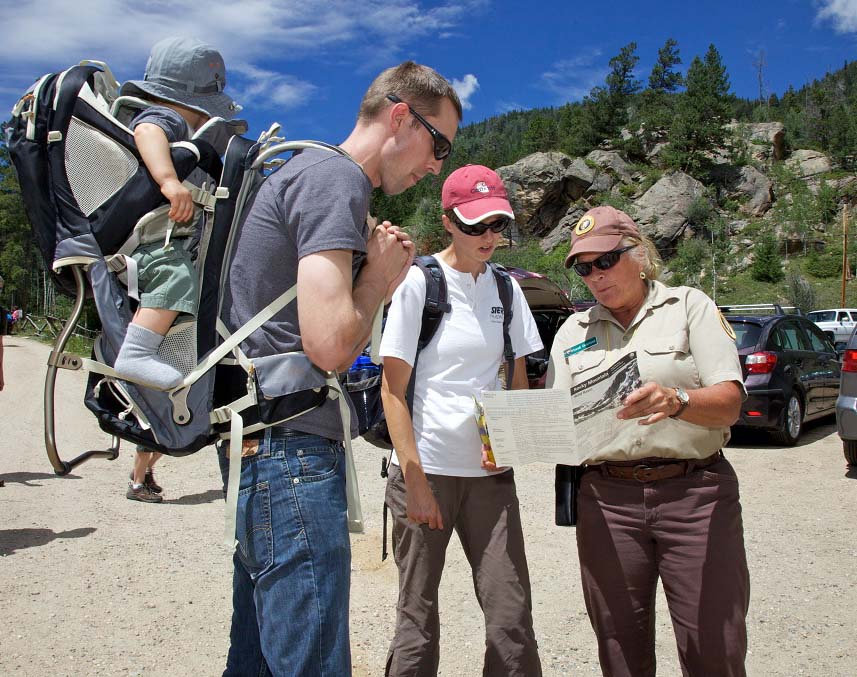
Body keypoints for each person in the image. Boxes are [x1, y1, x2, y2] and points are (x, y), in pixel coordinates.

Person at [218, 61, 462, 676]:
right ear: (400, 116)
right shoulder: (336, 180)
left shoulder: (307, 172)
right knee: (312, 660)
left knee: (255, 657)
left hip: (261, 441)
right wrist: (379, 278)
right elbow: (328, 345)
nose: (438, 167)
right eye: (439, 146)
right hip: (290, 449)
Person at [546, 205, 750, 676]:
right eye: (584, 267)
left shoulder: (689, 306)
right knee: (620, 648)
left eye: (606, 260)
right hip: (607, 500)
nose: (595, 275)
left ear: (638, 254)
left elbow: (730, 402)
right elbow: (556, 422)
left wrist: (677, 399)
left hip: (695, 494)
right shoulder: (572, 332)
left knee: (712, 644)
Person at [380, 165, 543, 676]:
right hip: (424, 474)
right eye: (475, 226)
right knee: (418, 615)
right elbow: (393, 390)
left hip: (490, 479)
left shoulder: (507, 290)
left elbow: (517, 373)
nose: (489, 237)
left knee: (510, 614)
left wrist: (516, 445)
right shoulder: (418, 284)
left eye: (497, 224)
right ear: (448, 221)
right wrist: (416, 480)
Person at [112, 36, 242, 390]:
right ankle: (135, 357)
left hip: (155, 239)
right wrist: (169, 180)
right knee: (177, 278)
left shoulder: (173, 120)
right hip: (151, 244)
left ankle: (143, 377)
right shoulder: (165, 117)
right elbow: (148, 130)